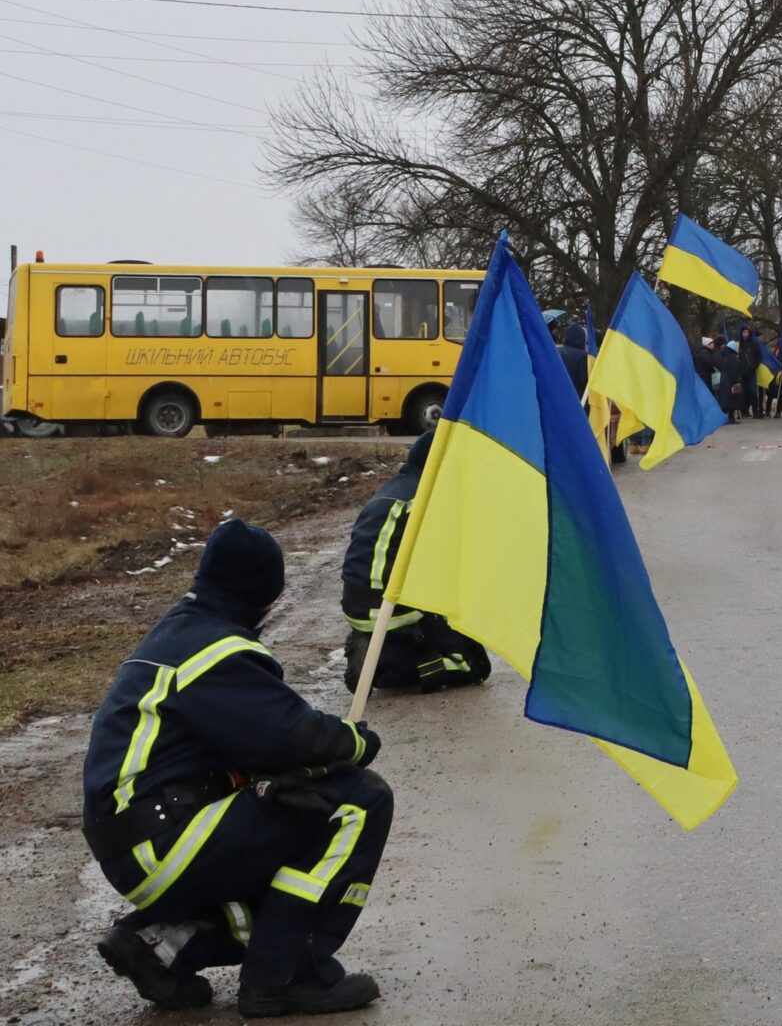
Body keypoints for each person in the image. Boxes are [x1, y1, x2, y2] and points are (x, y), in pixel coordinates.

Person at [82, 521, 390, 1016]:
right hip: (166, 840)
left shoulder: (180, 633)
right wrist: (354, 741)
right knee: (358, 800)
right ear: (264, 594)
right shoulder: (216, 651)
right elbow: (290, 735)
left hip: (139, 843)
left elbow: (253, 744)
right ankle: (285, 978)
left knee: (284, 837)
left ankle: (159, 945)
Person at [341, 431, 493, 694]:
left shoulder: (392, 490)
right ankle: (394, 667)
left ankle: (381, 650)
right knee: (473, 666)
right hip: (395, 613)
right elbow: (446, 567)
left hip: (357, 607)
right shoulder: (425, 500)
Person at [556, 321, 588, 396]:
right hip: (576, 396)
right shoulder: (583, 356)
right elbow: (585, 381)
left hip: (557, 394)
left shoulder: (556, 351)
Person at [715, 338, 743, 422]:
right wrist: (737, 380)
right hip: (731, 381)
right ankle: (731, 417)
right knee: (732, 399)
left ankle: (723, 417)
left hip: (723, 379)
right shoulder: (733, 358)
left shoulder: (721, 355)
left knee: (724, 399)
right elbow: (734, 370)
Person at [739, 328, 764, 420]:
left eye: (747, 332)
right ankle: (744, 411)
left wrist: (754, 366)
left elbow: (759, 357)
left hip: (751, 372)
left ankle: (755, 411)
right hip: (742, 372)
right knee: (743, 393)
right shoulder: (739, 344)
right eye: (744, 332)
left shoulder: (754, 344)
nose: (745, 334)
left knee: (753, 392)